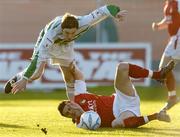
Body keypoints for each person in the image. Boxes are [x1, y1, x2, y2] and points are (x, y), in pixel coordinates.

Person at [4, 5, 127, 100]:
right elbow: (37, 58)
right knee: (37, 74)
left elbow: (103, 10)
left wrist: (116, 12)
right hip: (51, 44)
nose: (70, 35)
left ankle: (74, 106)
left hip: (66, 46)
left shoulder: (85, 21)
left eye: (73, 33)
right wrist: (25, 78)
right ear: (62, 29)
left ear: (77, 28)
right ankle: (17, 77)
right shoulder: (49, 35)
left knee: (69, 75)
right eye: (67, 33)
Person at [58, 60, 175, 128]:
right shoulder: (80, 123)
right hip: (123, 114)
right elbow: (92, 120)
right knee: (117, 123)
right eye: (68, 114)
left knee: (122, 67)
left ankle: (158, 75)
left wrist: (74, 68)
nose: (70, 112)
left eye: (68, 108)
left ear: (70, 102)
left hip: (121, 98)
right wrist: (81, 112)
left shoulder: (78, 96)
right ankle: (156, 116)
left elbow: (79, 77)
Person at [152, 0, 180, 110]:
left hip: (177, 39)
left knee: (163, 70)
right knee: (163, 70)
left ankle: (172, 98)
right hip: (174, 39)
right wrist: (159, 26)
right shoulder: (168, 3)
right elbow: (169, 20)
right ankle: (172, 97)